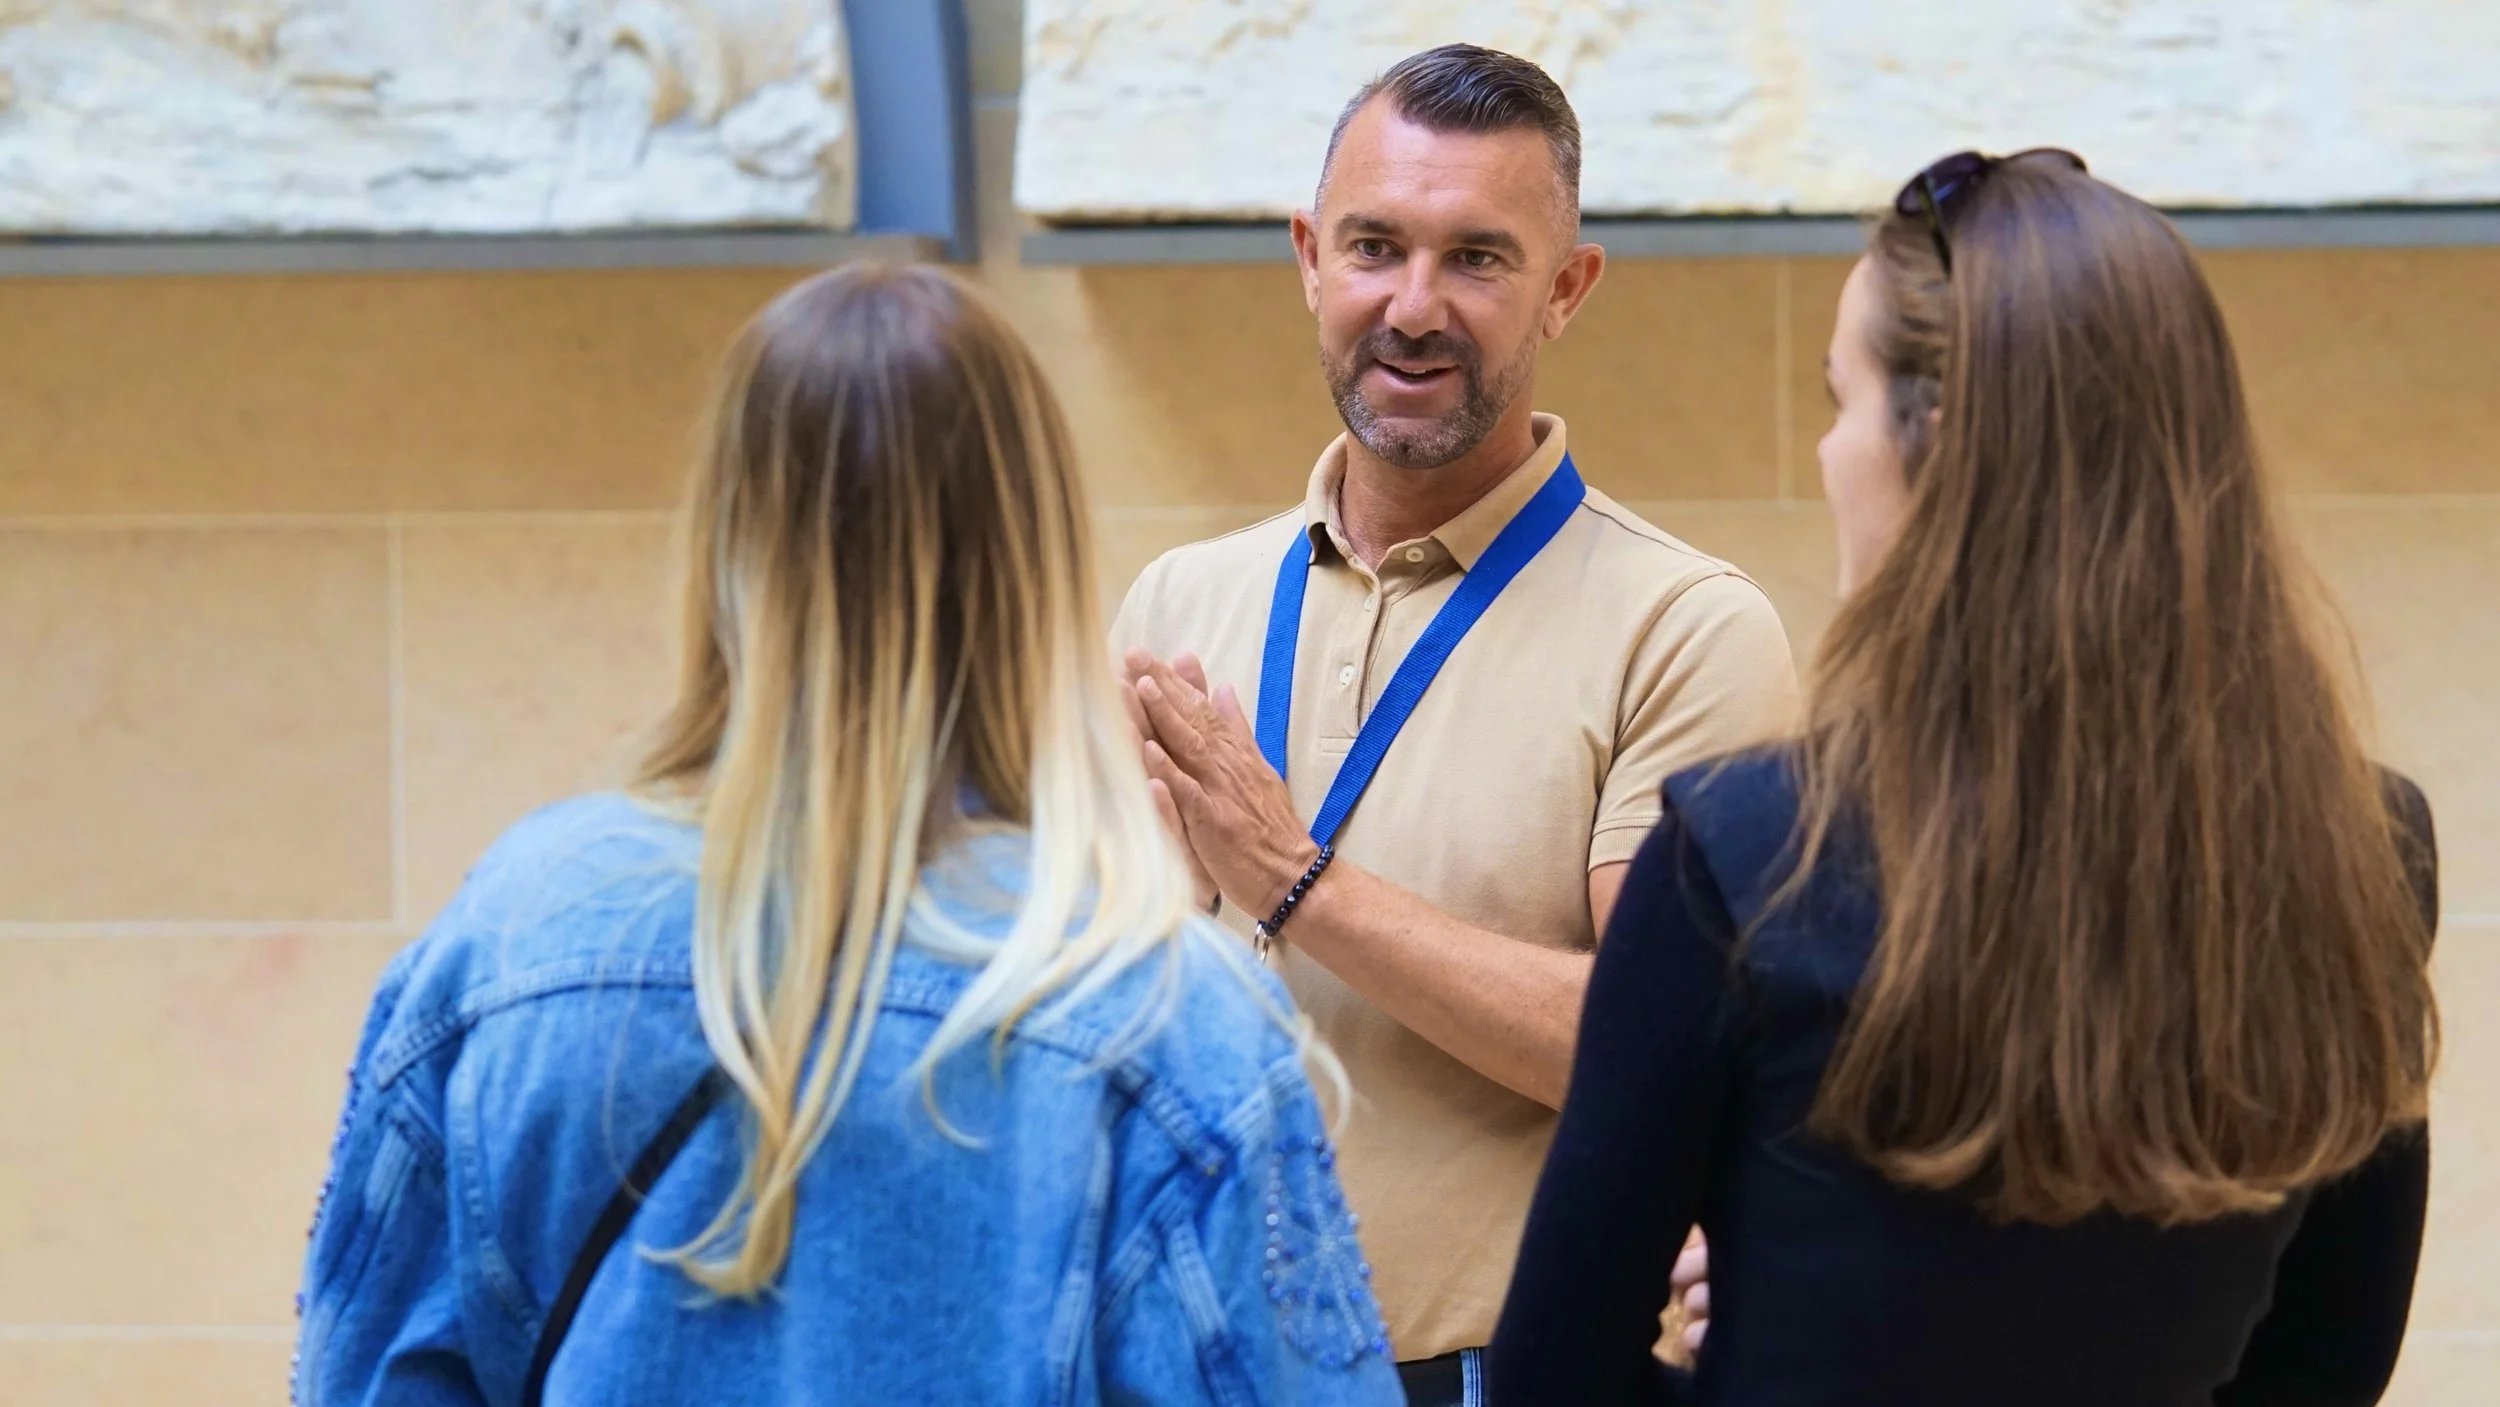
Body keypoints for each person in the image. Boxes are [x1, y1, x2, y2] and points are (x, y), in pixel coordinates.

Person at [292, 265, 1403, 1407]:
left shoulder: (518, 932)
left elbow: (364, 1372)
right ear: (1032, 560)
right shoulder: (1158, 1013)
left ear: (727, 540)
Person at [1488, 150, 2442, 1405]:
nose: (1830, 452)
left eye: (1841, 399)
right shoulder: (2364, 847)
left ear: (1929, 441)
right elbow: (2325, 1366)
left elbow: (1553, 1381)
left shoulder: (1745, 853)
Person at [1115, 43, 1799, 1398]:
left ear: (1568, 288)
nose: (1412, 307)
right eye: (1375, 245)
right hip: (1191, 1364)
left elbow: (1665, 1049)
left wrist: (1294, 881)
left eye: (1478, 258)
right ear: (1311, 257)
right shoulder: (1180, 599)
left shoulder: (1689, 628)